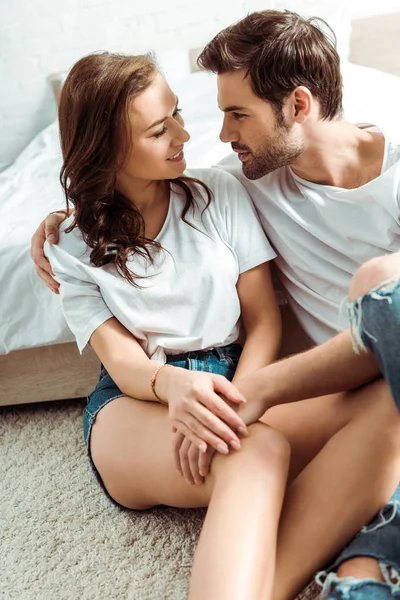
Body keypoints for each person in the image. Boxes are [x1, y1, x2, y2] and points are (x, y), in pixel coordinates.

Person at [30, 11, 400, 600]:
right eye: (159, 129)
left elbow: (263, 321)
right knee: (258, 451)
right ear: (111, 149)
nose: (197, 134)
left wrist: (237, 400)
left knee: (387, 410)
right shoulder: (76, 243)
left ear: (298, 105)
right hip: (141, 399)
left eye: (179, 113)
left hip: (245, 382)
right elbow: (124, 364)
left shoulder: (221, 192)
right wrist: (180, 389)